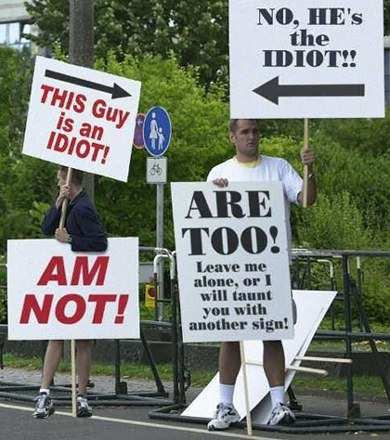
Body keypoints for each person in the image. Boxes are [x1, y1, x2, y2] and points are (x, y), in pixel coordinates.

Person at [206, 119, 316, 431]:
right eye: (245, 132)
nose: (251, 136)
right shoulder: (219, 173)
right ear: (232, 137)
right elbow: (205, 221)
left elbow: (306, 200)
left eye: (255, 131)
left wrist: (310, 170)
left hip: (272, 267)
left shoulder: (279, 167)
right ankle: (226, 405)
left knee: (272, 334)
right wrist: (217, 195)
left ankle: (279, 403)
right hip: (232, 269)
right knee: (230, 336)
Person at [33, 166, 107, 419]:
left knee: (81, 341)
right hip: (66, 282)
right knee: (58, 336)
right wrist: (58, 204)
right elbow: (46, 228)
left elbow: (100, 242)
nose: (57, 183)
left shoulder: (84, 208)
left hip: (82, 282)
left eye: (58, 180)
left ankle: (81, 395)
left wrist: (71, 241)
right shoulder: (69, 203)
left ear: (68, 180)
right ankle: (45, 392)